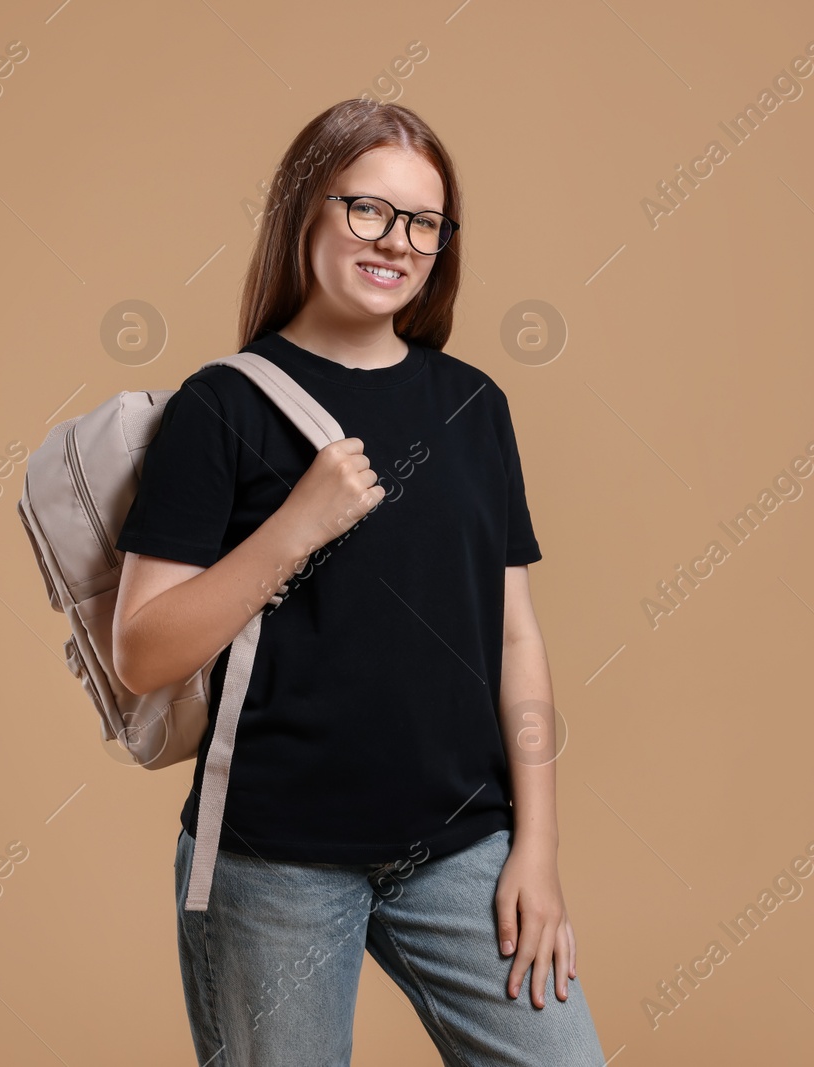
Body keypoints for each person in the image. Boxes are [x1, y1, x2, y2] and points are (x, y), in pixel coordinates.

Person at [111, 98, 605, 1067]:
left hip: (462, 846)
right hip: (272, 860)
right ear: (306, 211)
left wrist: (536, 848)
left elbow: (515, 639)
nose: (397, 243)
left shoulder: (472, 404)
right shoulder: (223, 405)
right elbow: (142, 651)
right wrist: (297, 524)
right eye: (367, 209)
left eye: (423, 222)